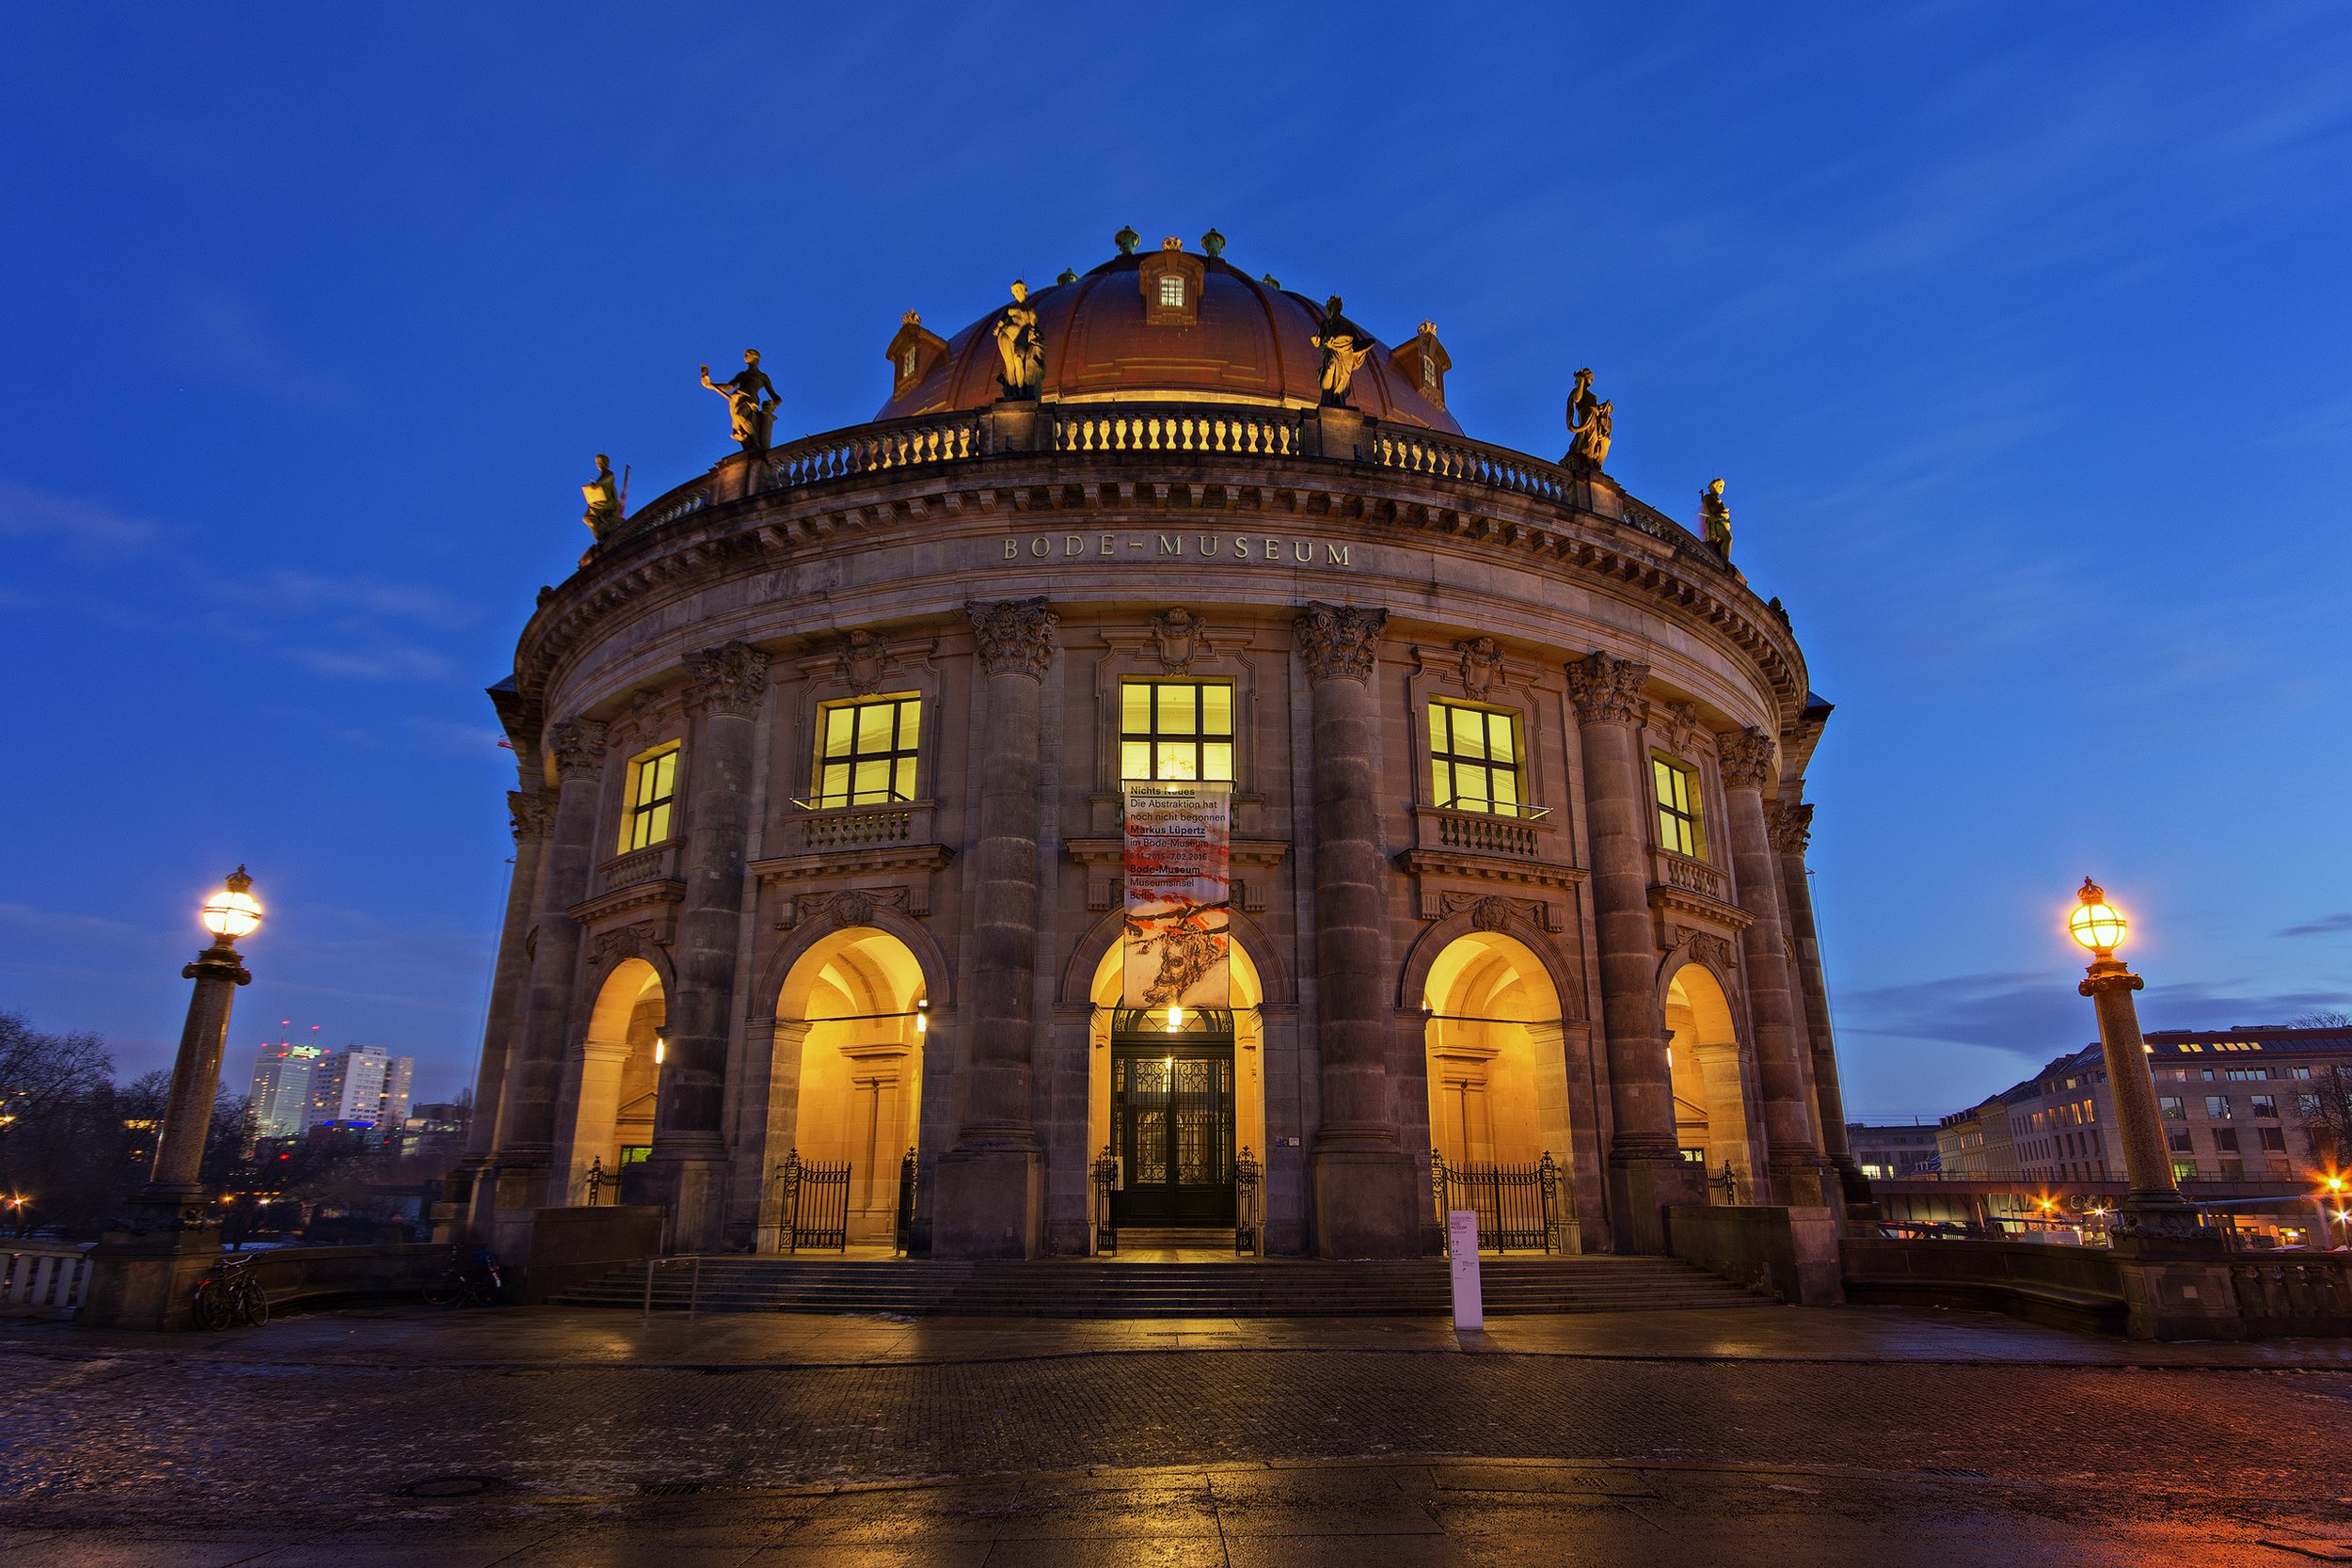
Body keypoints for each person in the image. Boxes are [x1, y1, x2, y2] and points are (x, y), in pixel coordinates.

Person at [700, 349, 782, 453]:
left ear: (755, 357)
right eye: (745, 355)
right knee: (738, 426)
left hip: (750, 401)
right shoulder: (742, 375)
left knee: (740, 415)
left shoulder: (762, 376)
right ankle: (748, 442)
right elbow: (728, 387)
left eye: (748, 354)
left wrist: (771, 406)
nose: (745, 356)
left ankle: (755, 443)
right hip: (736, 400)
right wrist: (710, 385)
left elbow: (777, 398)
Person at [993, 280, 1045, 397]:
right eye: (1014, 291)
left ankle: (1021, 392)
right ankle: (1013, 392)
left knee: (1018, 360)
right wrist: (998, 328)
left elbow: (1034, 327)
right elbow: (1003, 320)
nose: (1016, 293)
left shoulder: (1031, 312)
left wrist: (1034, 335)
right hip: (1005, 335)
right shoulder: (1009, 309)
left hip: (1021, 337)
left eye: (1018, 290)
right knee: (1010, 364)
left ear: (1024, 291)